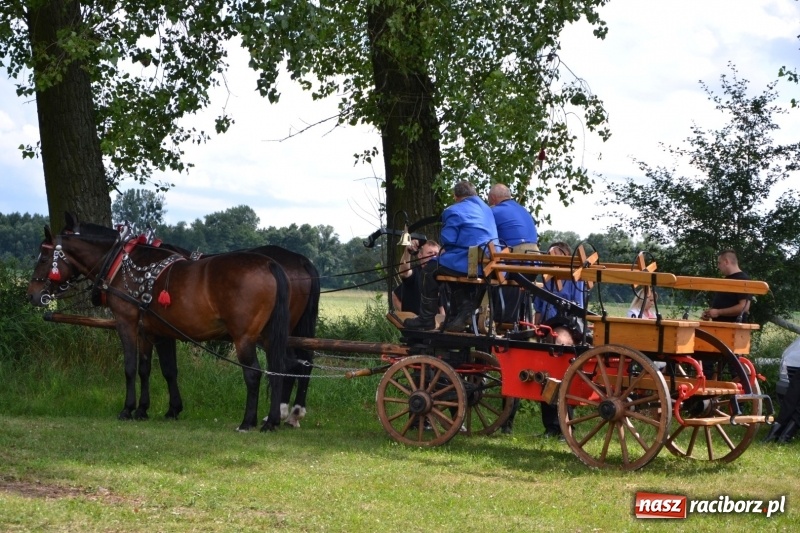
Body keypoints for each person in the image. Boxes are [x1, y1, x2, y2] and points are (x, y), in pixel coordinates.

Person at [403, 180, 499, 331]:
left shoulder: (453, 211)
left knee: (430, 269)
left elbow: (448, 241)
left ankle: (426, 319)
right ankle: (458, 315)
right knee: (448, 266)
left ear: (456, 196)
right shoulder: (487, 209)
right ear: (474, 194)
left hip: (472, 262)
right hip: (491, 262)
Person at [532, 242, 586, 438]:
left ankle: (566, 427)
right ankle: (551, 427)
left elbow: (578, 308)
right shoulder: (547, 280)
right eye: (549, 255)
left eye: (555, 255)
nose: (551, 259)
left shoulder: (576, 279)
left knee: (564, 376)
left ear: (565, 257)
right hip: (547, 328)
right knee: (544, 377)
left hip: (568, 329)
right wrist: (535, 331)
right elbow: (538, 310)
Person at [392, 239, 441, 314]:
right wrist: (406, 316)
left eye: (436, 254)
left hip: (434, 323)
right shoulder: (415, 272)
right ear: (420, 255)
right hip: (414, 323)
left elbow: (442, 305)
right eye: (430, 253)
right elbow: (404, 272)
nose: (433, 256)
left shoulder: (441, 275)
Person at [701, 249, 751, 322]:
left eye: (719, 263)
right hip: (719, 327)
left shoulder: (743, 279)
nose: (718, 267)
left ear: (726, 262)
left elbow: (744, 307)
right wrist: (710, 313)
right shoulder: (726, 280)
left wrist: (718, 312)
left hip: (734, 329)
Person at [487, 183, 538, 250]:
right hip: (536, 253)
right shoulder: (523, 210)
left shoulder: (494, 211)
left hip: (515, 254)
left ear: (493, 198)